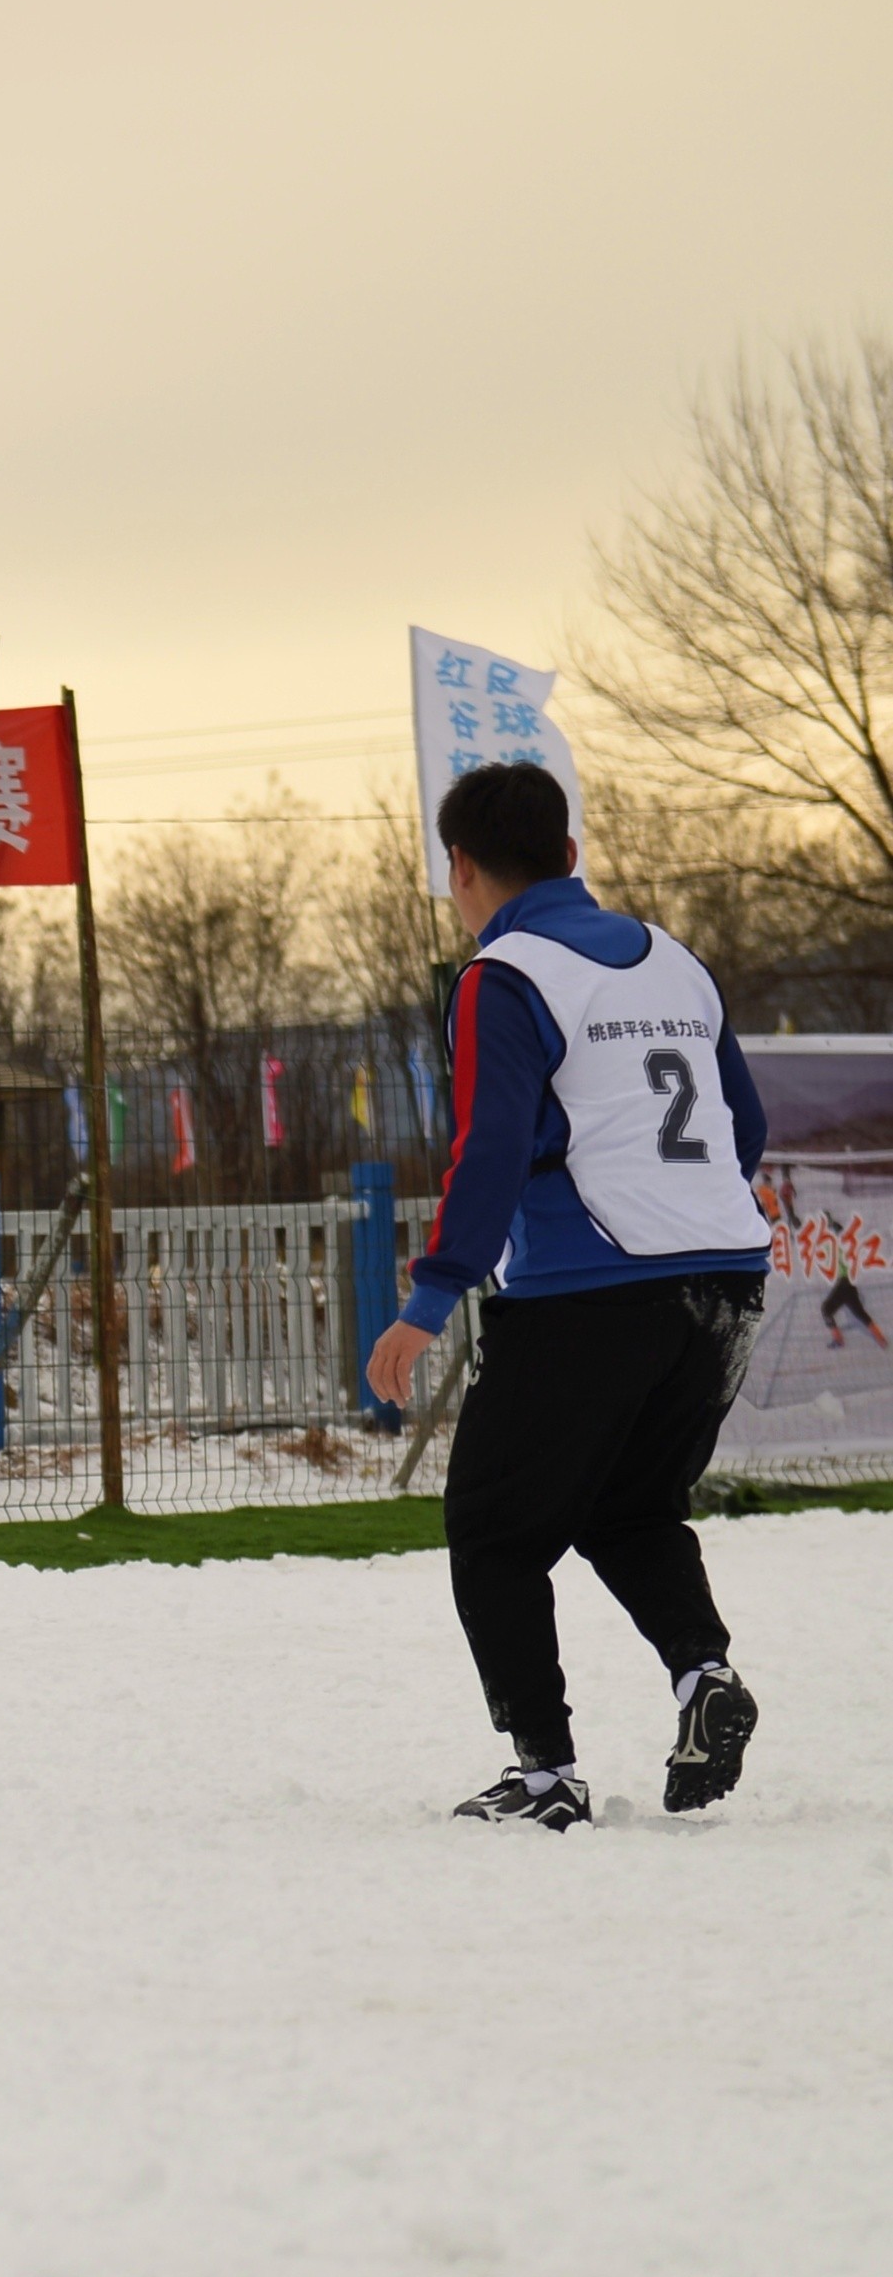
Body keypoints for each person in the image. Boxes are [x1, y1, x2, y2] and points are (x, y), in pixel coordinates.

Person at [366, 763, 774, 1831]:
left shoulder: (502, 976)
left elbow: (490, 1147)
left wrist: (429, 1296)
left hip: (590, 1288)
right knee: (627, 1507)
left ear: (459, 867)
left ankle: (544, 1777)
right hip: (727, 1276)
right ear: (569, 853)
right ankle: (702, 1675)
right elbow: (743, 1125)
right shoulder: (674, 961)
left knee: (492, 1531)